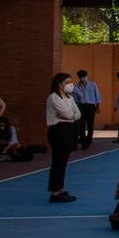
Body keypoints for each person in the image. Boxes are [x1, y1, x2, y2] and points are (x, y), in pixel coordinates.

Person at [45, 73, 80, 203]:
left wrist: (70, 115)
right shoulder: (53, 97)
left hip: (68, 129)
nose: (70, 85)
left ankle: (59, 188)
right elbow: (67, 113)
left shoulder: (69, 97)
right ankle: (55, 192)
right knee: (58, 162)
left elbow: (78, 114)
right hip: (58, 130)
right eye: (67, 82)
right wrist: (70, 115)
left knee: (63, 162)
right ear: (59, 84)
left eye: (71, 82)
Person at [71, 70, 100, 150]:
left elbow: (97, 95)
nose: (83, 78)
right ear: (79, 78)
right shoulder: (76, 87)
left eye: (84, 76)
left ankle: (89, 140)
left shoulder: (93, 85)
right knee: (82, 125)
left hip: (91, 106)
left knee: (90, 124)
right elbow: (75, 99)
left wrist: (98, 106)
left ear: (86, 76)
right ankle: (83, 142)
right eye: (81, 77)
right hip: (82, 106)